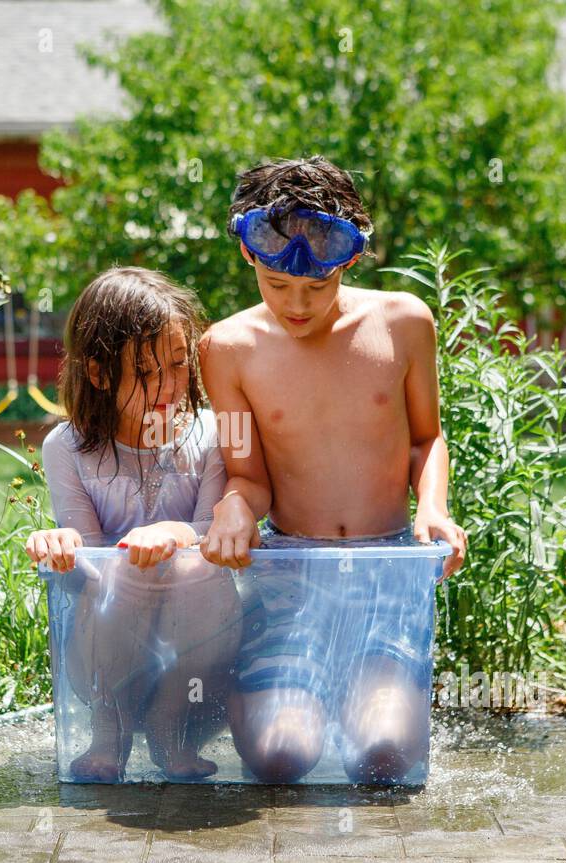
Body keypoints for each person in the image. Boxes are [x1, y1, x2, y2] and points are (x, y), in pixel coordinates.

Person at [198, 156, 468, 784]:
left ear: (346, 260)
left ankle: (366, 695)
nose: (296, 304)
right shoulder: (228, 348)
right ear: (250, 258)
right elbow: (248, 475)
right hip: (292, 575)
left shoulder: (403, 322)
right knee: (280, 758)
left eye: (316, 288)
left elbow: (426, 440)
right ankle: (250, 696)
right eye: (276, 283)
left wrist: (434, 508)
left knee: (383, 759)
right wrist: (234, 506)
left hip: (386, 571)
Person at [27, 267, 240, 782]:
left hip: (195, 659)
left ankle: (171, 720)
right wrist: (61, 545)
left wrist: (177, 533)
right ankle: (111, 725)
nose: (170, 386)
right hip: (103, 659)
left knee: (197, 569)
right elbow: (87, 572)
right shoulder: (68, 448)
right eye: (146, 372)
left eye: (178, 363)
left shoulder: (212, 434)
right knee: (124, 570)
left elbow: (214, 530)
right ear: (99, 374)